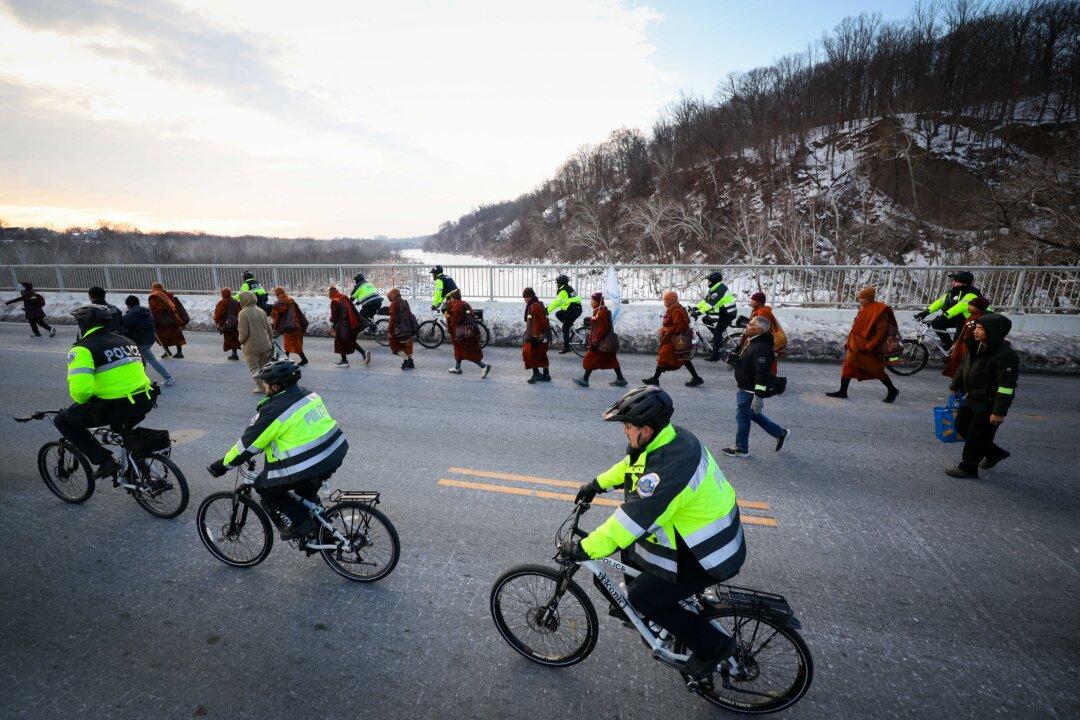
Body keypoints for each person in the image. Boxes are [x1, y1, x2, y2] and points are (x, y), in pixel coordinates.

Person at [559, 386, 746, 682]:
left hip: (710, 551)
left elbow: (632, 519)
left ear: (645, 430)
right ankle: (646, 614)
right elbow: (632, 468)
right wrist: (597, 484)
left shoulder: (668, 469)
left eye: (628, 427)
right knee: (633, 550)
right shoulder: (669, 439)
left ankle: (714, 648)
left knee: (644, 596)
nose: (624, 432)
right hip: (701, 532)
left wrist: (585, 547)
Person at [207, 359, 348, 541]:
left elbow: (247, 446)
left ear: (275, 387)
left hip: (312, 460)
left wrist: (222, 465)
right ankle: (322, 533)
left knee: (264, 486)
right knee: (306, 493)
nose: (263, 386)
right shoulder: (309, 395)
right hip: (333, 451)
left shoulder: (274, 410)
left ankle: (301, 524)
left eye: (265, 383)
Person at [53, 305, 156, 479]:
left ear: (83, 324)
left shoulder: (82, 349)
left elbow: (81, 392)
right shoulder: (127, 341)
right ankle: (136, 465)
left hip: (117, 406)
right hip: (145, 400)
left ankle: (104, 461)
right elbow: (141, 369)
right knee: (121, 431)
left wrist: (87, 399)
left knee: (62, 420)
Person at [945, 313, 1019, 479]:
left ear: (994, 332)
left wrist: (999, 412)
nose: (975, 332)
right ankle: (995, 453)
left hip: (988, 403)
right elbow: (964, 366)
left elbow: (1006, 387)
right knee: (961, 426)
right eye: (976, 328)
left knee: (977, 435)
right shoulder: (975, 345)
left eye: (980, 329)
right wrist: (955, 385)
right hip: (971, 397)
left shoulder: (1005, 356)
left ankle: (968, 468)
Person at [720, 316, 789, 458]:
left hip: (749, 389)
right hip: (744, 386)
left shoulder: (763, 348)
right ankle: (780, 432)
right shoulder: (752, 341)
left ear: (759, 329)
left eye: (750, 324)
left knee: (743, 417)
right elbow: (745, 359)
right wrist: (733, 361)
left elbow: (761, 374)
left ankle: (741, 448)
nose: (747, 326)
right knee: (750, 414)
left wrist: (758, 396)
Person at [826, 286, 900, 403]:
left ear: (869, 298)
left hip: (866, 348)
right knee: (847, 367)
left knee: (876, 370)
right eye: (859, 298)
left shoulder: (879, 311)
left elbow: (881, 332)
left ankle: (892, 390)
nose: (860, 300)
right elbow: (855, 328)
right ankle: (842, 391)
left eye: (863, 298)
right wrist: (849, 342)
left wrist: (869, 346)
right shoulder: (863, 308)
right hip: (855, 346)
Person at [643, 291, 704, 387]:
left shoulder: (677, 311)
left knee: (664, 357)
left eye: (666, 300)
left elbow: (681, 327)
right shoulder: (672, 309)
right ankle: (696, 378)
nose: (664, 303)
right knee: (683, 358)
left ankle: (655, 379)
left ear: (671, 301)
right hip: (671, 338)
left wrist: (666, 329)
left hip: (674, 340)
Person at [915, 271, 986, 351]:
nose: (953, 283)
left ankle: (956, 351)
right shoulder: (953, 292)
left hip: (970, 320)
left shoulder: (971, 293)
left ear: (964, 283)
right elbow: (939, 302)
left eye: (955, 281)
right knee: (936, 323)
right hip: (958, 318)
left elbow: (960, 307)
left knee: (958, 339)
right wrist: (926, 312)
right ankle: (949, 345)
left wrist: (945, 315)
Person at [574, 292, 627, 388]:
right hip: (606, 343)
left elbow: (602, 329)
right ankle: (620, 379)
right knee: (612, 360)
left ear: (598, 302)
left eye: (593, 301)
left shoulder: (601, 312)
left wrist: (595, 342)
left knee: (589, 358)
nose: (591, 302)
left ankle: (585, 380)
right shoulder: (600, 311)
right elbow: (598, 323)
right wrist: (591, 320)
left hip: (601, 342)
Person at [123, 295, 174, 386]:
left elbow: (124, 327)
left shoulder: (130, 316)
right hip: (149, 339)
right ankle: (142, 378)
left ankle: (168, 377)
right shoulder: (146, 312)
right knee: (142, 359)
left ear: (128, 305)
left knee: (150, 360)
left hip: (139, 341)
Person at [694, 270, 737, 362]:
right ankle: (718, 337)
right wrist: (695, 308)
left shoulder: (719, 290)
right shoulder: (715, 288)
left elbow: (710, 305)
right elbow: (705, 301)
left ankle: (715, 356)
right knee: (706, 320)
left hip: (728, 313)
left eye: (709, 281)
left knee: (717, 334)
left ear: (714, 281)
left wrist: (698, 312)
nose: (708, 282)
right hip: (723, 311)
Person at [943, 297, 990, 379]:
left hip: (967, 350)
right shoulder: (971, 317)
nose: (968, 307)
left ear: (978, 308)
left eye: (971, 305)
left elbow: (971, 337)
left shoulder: (978, 320)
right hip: (963, 347)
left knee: (963, 373)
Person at [237, 290, 274, 393]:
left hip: (251, 346)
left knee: (254, 367)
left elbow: (243, 332)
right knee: (265, 366)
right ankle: (269, 384)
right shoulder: (261, 310)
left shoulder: (243, 313)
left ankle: (262, 387)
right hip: (265, 344)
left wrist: (241, 341)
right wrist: (270, 340)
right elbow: (269, 328)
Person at [445, 295, 491, 377]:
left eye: (451, 298)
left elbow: (457, 320)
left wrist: (448, 316)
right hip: (467, 331)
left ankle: (484, 366)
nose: (450, 300)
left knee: (467, 352)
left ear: (453, 298)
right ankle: (457, 368)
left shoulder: (457, 306)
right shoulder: (464, 303)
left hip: (462, 334)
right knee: (458, 350)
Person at [328, 286, 370, 368]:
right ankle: (363, 353)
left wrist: (332, 323)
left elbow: (334, 317)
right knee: (349, 341)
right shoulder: (343, 298)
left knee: (341, 342)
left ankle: (344, 361)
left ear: (331, 294)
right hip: (351, 323)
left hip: (342, 325)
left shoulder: (335, 301)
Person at [270, 286, 309, 366]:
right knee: (288, 343)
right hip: (296, 325)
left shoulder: (281, 302)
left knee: (294, 344)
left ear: (277, 294)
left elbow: (275, 315)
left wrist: (275, 325)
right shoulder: (290, 299)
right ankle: (285, 359)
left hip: (290, 326)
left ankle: (304, 359)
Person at [148, 282, 187, 359]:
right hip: (174, 319)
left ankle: (167, 352)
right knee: (177, 336)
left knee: (162, 336)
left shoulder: (155, 296)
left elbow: (155, 309)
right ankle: (179, 352)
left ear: (154, 288)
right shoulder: (169, 295)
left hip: (162, 322)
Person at [546, 274, 583, 354]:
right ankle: (569, 324)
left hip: (573, 310)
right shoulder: (568, 288)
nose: (557, 284)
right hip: (574, 309)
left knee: (565, 328)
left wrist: (547, 310)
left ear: (561, 283)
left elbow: (556, 302)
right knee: (558, 314)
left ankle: (567, 347)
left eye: (558, 282)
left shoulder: (563, 291)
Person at [522, 287, 551, 383]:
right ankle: (546, 375)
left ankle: (536, 374)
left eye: (525, 297)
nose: (524, 300)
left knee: (530, 354)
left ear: (529, 297)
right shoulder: (537, 304)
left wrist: (534, 337)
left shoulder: (534, 307)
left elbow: (537, 323)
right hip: (542, 335)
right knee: (541, 354)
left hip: (536, 336)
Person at [748, 291, 786, 363]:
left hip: (763, 340)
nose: (751, 302)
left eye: (753, 300)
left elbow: (762, 328)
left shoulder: (763, 312)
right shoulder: (757, 310)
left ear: (759, 302)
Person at [386, 288, 418, 369]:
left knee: (395, 347)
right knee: (407, 346)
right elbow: (409, 314)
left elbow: (392, 319)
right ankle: (410, 362)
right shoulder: (404, 301)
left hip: (398, 330)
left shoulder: (394, 304)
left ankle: (407, 360)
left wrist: (389, 331)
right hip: (407, 328)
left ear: (392, 295)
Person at [213, 288, 242, 361]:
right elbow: (240, 312)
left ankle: (234, 354)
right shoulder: (235, 301)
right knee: (235, 337)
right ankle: (235, 353)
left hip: (226, 323)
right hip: (236, 323)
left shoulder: (221, 303)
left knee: (230, 338)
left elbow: (218, 314)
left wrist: (218, 323)